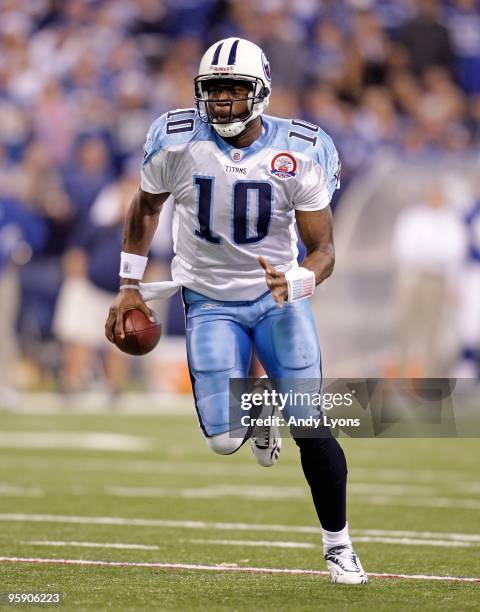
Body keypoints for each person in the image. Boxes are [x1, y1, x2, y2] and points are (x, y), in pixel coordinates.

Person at [105, 38, 367, 585]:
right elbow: (146, 207)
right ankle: (257, 410)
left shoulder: (300, 149)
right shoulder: (175, 141)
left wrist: (298, 278)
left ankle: (338, 544)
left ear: (261, 92)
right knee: (223, 441)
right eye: (214, 91)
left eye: (234, 90)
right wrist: (129, 281)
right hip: (207, 300)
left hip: (276, 301)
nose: (223, 102)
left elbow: (325, 251)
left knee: (312, 425)